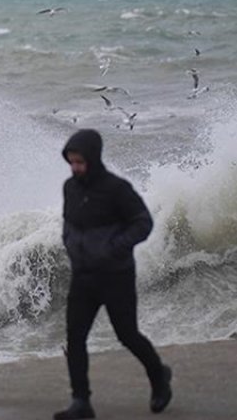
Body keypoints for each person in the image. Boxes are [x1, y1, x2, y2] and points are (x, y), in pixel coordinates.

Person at [55, 129, 172, 419]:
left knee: (127, 335)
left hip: (115, 275)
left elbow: (143, 223)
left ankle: (159, 378)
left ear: (93, 158)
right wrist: (70, 243)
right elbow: (69, 224)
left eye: (80, 162)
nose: (75, 168)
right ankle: (81, 402)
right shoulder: (70, 188)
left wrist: (112, 249)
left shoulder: (117, 189)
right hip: (83, 276)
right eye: (71, 162)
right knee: (75, 337)